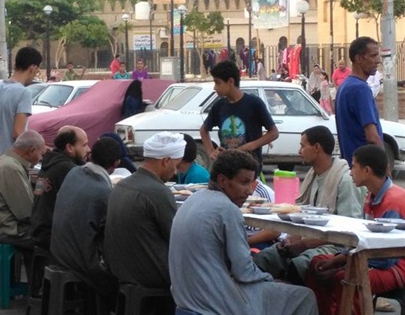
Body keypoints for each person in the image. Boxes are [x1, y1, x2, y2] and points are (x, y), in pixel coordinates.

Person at [170, 150, 318, 315]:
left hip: (185, 300)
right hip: (214, 303)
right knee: (304, 296)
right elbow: (244, 272)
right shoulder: (227, 209)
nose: (249, 191)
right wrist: (270, 279)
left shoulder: (192, 200)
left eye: (251, 183)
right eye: (244, 182)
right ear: (222, 180)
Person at [253, 126, 363, 285]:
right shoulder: (312, 175)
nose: (299, 151)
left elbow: (348, 231)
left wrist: (304, 243)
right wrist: (291, 240)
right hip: (308, 240)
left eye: (303, 146)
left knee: (297, 266)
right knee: (264, 258)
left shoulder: (344, 179)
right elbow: (303, 217)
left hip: (336, 246)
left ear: (317, 148)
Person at [306, 145, 405, 315]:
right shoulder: (369, 196)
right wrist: (337, 260)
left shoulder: (394, 201)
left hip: (396, 265)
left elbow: (387, 257)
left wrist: (342, 265)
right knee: (317, 263)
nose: (350, 172)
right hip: (369, 258)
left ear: (367, 171)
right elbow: (362, 239)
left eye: (353, 166)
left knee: (343, 278)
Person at [104, 132, 184, 290]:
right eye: (175, 166)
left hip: (120, 270)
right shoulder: (157, 192)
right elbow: (176, 238)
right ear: (166, 161)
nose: (175, 172)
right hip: (148, 275)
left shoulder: (122, 185)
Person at [50, 137, 122, 305]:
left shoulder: (74, 173)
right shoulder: (103, 191)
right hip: (79, 260)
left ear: (91, 155)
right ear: (116, 163)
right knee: (124, 277)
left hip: (58, 251)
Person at [199, 60, 278, 175]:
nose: (215, 88)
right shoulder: (219, 106)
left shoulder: (254, 103)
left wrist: (251, 145)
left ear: (231, 81)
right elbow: (204, 130)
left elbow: (274, 132)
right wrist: (211, 151)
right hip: (226, 167)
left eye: (218, 83)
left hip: (249, 167)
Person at [0, 130, 46, 274]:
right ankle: (38, 288)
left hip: (4, 226)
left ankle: (35, 287)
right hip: (9, 230)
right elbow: (25, 213)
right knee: (49, 239)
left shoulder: (6, 161)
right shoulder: (11, 168)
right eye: (41, 154)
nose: (41, 159)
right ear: (31, 151)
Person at [30, 126, 90, 250]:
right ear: (69, 147)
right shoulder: (68, 169)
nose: (88, 150)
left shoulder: (49, 164)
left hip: (39, 230)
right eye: (84, 145)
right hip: (51, 236)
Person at [0, 47, 42, 155]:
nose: (35, 75)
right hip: (10, 161)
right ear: (33, 68)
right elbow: (18, 133)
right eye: (37, 71)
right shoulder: (23, 93)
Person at [335, 37, 383, 167]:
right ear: (359, 59)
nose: (378, 61)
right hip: (367, 171)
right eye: (373, 56)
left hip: (352, 168)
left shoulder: (344, 87)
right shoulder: (361, 89)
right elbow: (372, 137)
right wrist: (385, 169)